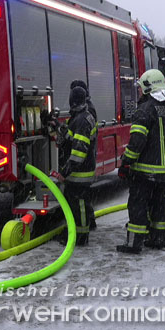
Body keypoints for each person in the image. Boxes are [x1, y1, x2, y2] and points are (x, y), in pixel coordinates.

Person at [117, 69, 165, 254]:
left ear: (146, 87)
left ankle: (134, 243)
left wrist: (126, 162)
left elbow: (137, 141)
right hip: (163, 170)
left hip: (143, 170)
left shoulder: (144, 110)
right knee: (158, 203)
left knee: (138, 203)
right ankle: (158, 238)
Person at [58, 86, 97, 245]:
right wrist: (59, 128)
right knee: (80, 203)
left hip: (79, 172)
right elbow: (72, 138)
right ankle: (79, 230)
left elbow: (79, 151)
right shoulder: (82, 117)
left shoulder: (81, 120)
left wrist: (65, 172)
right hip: (83, 170)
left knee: (78, 204)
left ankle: (80, 237)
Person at [69, 79, 98, 230]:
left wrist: (66, 169)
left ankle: (81, 233)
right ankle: (89, 223)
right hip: (86, 163)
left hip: (81, 168)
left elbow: (80, 146)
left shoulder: (83, 116)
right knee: (83, 198)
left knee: (78, 200)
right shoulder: (83, 113)